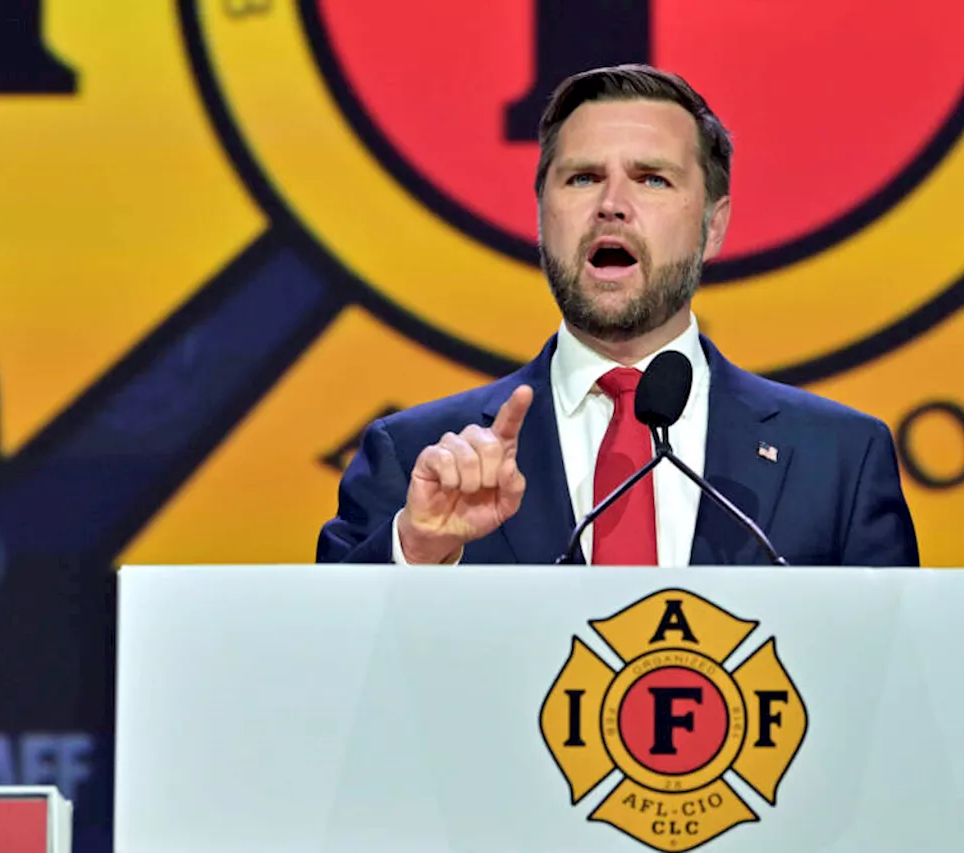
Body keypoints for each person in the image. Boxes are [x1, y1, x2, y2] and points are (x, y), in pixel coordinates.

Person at [316, 64, 918, 568]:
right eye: (582, 178)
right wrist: (417, 552)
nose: (611, 206)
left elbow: (893, 689)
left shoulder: (839, 458)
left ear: (714, 227)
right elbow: (321, 672)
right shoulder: (417, 456)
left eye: (652, 180)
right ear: (542, 215)